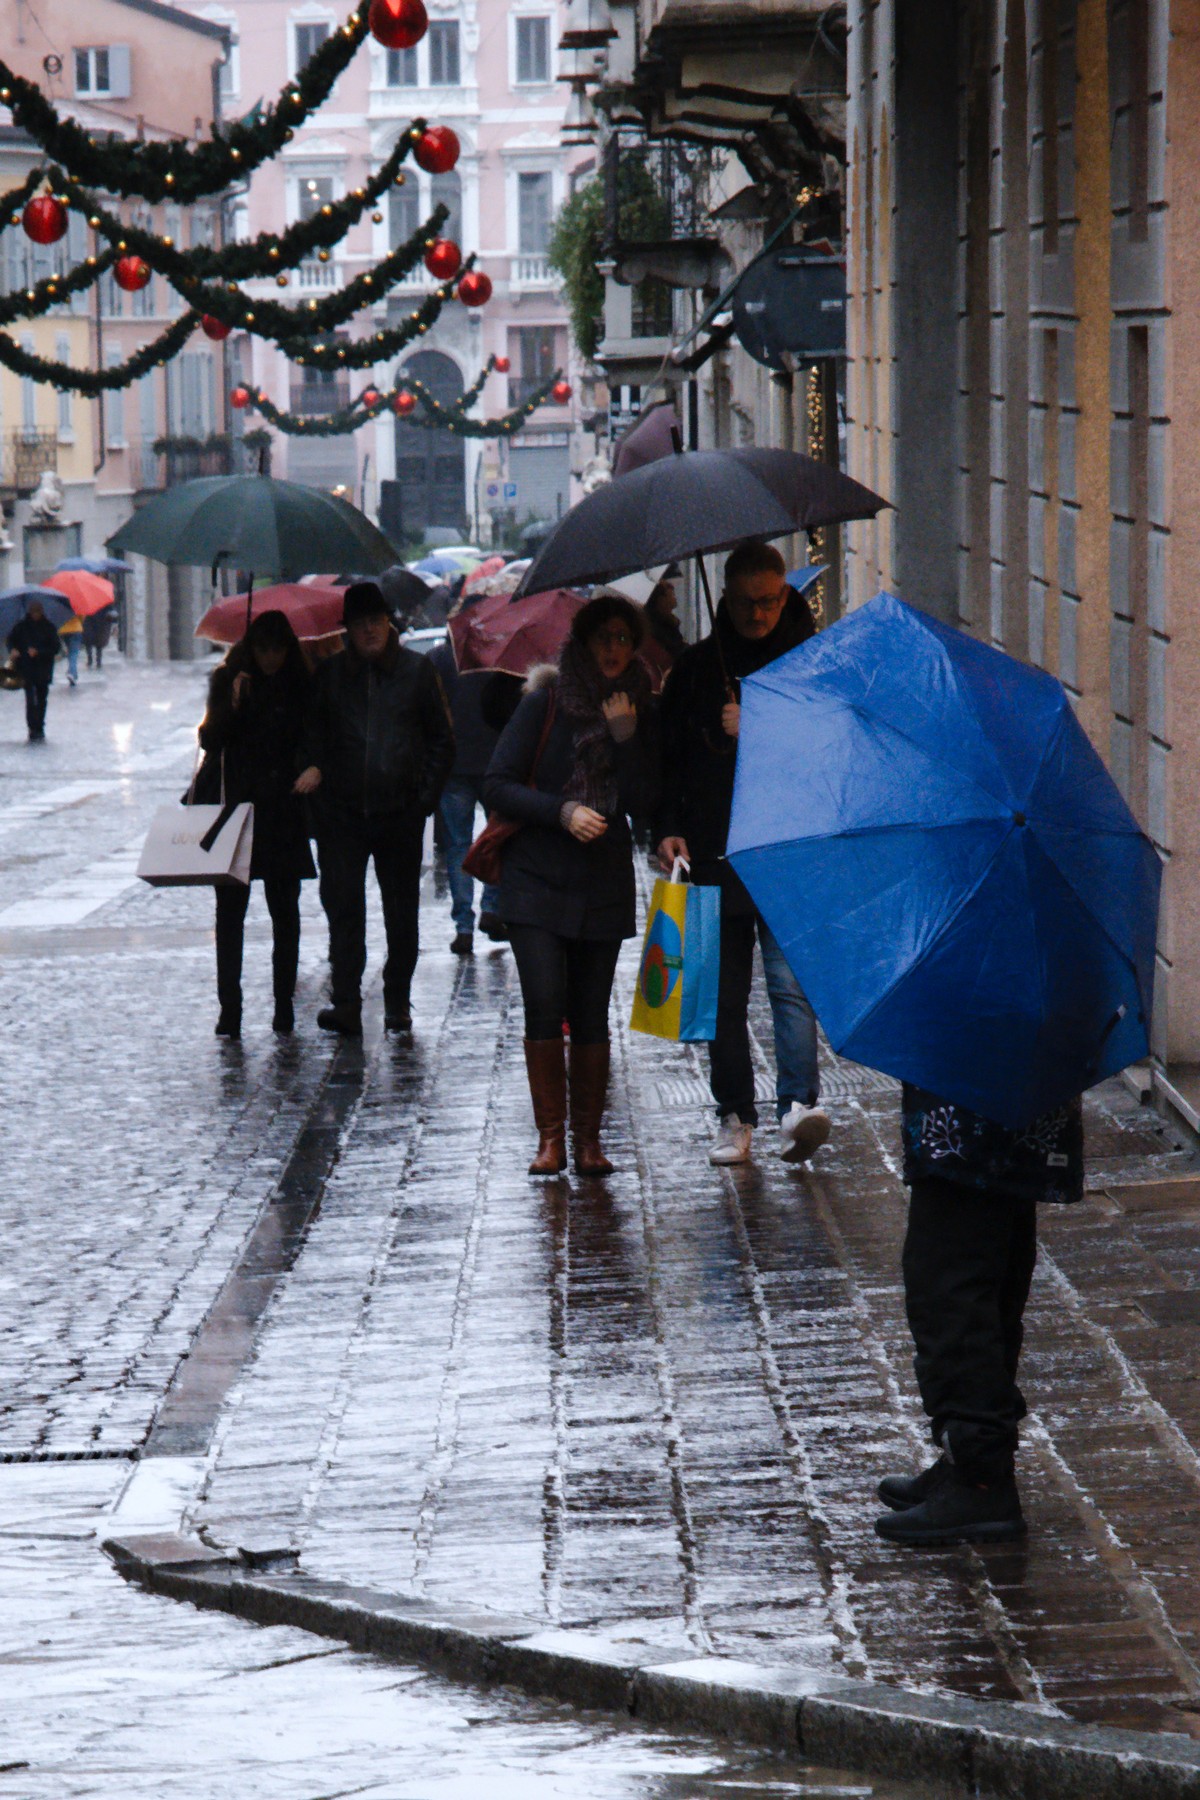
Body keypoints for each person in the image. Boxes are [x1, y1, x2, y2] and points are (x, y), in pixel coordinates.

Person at [656, 540, 830, 1168]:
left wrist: (758, 725)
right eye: (748, 602)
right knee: (718, 997)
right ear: (725, 597)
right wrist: (665, 825)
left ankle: (797, 1108)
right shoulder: (698, 668)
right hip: (710, 848)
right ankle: (734, 1114)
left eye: (771, 600)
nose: (760, 614)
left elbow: (829, 748)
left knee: (790, 987)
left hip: (787, 848)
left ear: (786, 594)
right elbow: (667, 756)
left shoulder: (810, 661)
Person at [484, 594, 657, 1177]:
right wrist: (561, 812)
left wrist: (628, 737)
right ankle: (550, 1139)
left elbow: (645, 804)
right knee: (545, 1001)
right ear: (584, 643)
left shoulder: (639, 706)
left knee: (589, 1011)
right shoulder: (547, 703)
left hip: (601, 877)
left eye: (624, 639)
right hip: (536, 874)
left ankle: (588, 1142)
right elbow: (498, 784)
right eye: (604, 637)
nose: (614, 649)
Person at [874, 1085, 1084, 1546]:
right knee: (990, 1277)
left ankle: (980, 1478)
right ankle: (973, 1461)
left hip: (968, 1119)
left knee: (951, 1287)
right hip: (1003, 1110)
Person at [306, 581, 454, 1035]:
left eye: (375, 621)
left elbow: (442, 740)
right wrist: (317, 785)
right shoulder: (330, 676)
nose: (369, 630)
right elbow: (311, 737)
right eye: (359, 623)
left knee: (401, 914)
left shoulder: (416, 671)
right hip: (342, 816)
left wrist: (422, 801)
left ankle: (397, 998)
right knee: (344, 910)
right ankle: (347, 1000)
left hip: (399, 815)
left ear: (388, 624)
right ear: (347, 629)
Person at [197, 610, 320, 1040]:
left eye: (278, 650)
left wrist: (311, 766)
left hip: (283, 812)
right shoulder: (229, 679)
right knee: (229, 916)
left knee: (285, 914)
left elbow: (313, 736)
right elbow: (210, 741)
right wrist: (231, 704)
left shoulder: (301, 684)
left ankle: (284, 1004)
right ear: (251, 647)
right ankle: (230, 1007)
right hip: (237, 810)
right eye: (263, 649)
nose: (271, 658)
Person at [427, 629, 508, 955]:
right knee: (497, 838)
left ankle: (463, 926)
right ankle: (491, 907)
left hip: (454, 765)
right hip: (493, 763)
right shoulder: (495, 659)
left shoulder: (438, 659)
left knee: (458, 846)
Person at [7, 599, 60, 741]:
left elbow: (55, 648)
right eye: (33, 612)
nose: (35, 615)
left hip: (43, 669)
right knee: (30, 698)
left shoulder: (48, 627)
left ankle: (40, 726)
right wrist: (13, 650)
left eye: (38, 612)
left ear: (41, 612)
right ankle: (32, 727)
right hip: (26, 668)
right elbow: (11, 640)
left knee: (42, 698)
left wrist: (39, 652)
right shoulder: (21, 627)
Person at [643, 571, 686, 666]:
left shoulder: (668, 624)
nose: (673, 588)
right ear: (660, 600)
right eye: (668, 587)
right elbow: (677, 653)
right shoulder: (658, 629)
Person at [82, 605, 113, 669]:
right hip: (101, 623)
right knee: (98, 644)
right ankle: (98, 661)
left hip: (90, 623)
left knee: (89, 642)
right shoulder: (104, 603)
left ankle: (90, 659)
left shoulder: (89, 602)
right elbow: (110, 612)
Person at [59, 611, 82, 686]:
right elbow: (82, 615)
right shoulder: (76, 604)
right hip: (76, 629)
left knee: (70, 652)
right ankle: (72, 672)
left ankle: (73, 673)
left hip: (64, 630)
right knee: (74, 652)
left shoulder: (61, 604)